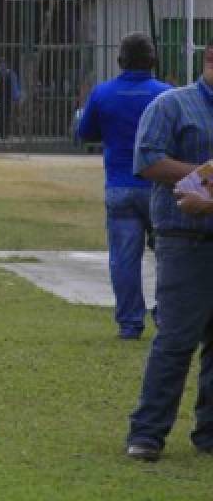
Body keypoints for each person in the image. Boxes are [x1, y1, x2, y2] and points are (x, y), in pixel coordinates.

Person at [124, 41, 213, 462]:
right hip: (185, 240)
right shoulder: (172, 105)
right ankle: (147, 433)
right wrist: (205, 174)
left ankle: (209, 433)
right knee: (177, 340)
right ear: (209, 59)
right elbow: (148, 161)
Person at [76, 33, 170, 340]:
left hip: (119, 183)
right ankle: (164, 312)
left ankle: (130, 322)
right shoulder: (167, 95)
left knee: (124, 258)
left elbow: (85, 133)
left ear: (120, 61)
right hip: (157, 185)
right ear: (153, 61)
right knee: (168, 254)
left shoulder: (102, 93)